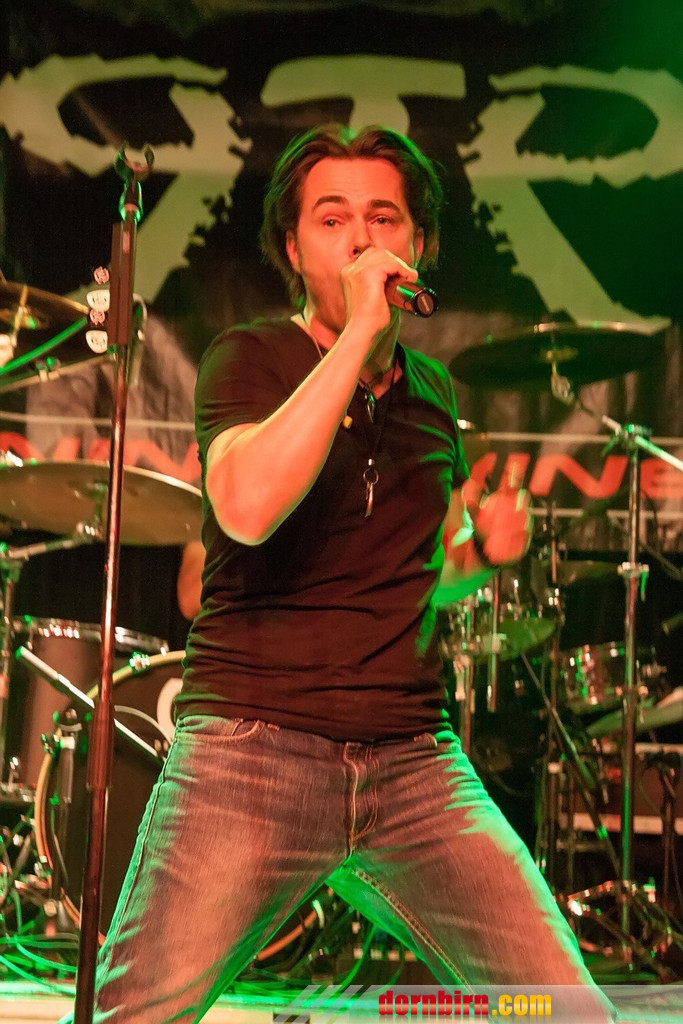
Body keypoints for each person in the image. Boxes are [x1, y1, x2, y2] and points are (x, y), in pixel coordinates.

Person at [89, 124, 614, 1022]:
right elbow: (246, 507)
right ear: (293, 251)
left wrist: (480, 557)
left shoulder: (434, 396)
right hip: (252, 749)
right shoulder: (249, 357)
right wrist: (358, 334)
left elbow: (416, 580)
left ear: (420, 244)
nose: (362, 239)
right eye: (332, 220)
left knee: (569, 1010)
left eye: (383, 218)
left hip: (412, 761)